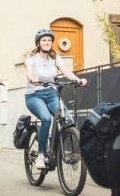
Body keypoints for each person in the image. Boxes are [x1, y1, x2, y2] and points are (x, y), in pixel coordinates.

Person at [24, 29, 87, 170]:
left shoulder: (55, 57)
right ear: (38, 43)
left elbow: (66, 71)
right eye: (44, 40)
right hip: (34, 95)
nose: (47, 42)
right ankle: (40, 155)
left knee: (68, 120)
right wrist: (32, 78)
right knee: (46, 119)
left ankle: (53, 148)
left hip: (52, 94)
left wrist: (78, 79)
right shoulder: (31, 59)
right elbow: (29, 73)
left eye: (49, 40)